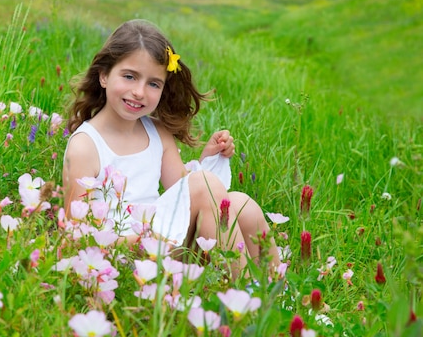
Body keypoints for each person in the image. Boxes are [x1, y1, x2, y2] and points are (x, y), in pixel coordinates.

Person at [62, 19, 279, 279]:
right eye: (129, 76)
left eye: (154, 83)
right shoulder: (86, 145)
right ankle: (245, 296)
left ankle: (278, 292)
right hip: (123, 256)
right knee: (205, 186)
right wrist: (147, 238)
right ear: (104, 75)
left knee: (243, 205)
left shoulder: (156, 133)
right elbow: (76, 235)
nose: (139, 92)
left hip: (164, 242)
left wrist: (207, 159)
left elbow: (184, 194)